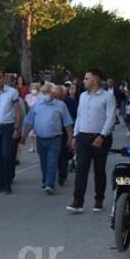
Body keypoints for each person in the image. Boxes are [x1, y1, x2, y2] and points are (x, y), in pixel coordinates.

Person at [67, 69, 117, 213]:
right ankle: (78, 201)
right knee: (81, 169)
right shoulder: (82, 96)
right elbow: (80, 116)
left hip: (100, 137)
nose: (84, 81)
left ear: (95, 80)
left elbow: (110, 118)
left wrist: (102, 136)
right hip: (83, 136)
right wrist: (75, 135)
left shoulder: (107, 97)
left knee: (99, 170)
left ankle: (99, 200)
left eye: (86, 78)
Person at [21, 82, 74, 195]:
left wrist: (70, 137)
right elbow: (29, 122)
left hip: (55, 139)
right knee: (44, 162)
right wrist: (24, 136)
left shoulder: (60, 105)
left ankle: (50, 184)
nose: (46, 94)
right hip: (40, 139)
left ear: (53, 93)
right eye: (44, 92)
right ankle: (45, 180)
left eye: (48, 92)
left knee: (52, 161)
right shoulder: (37, 105)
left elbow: (67, 123)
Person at [54, 85, 73, 186]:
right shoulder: (53, 102)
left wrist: (72, 133)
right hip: (54, 132)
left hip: (65, 131)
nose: (57, 95)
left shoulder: (69, 102)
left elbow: (74, 114)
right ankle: (59, 172)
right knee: (57, 155)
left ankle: (63, 175)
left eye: (59, 94)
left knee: (63, 154)